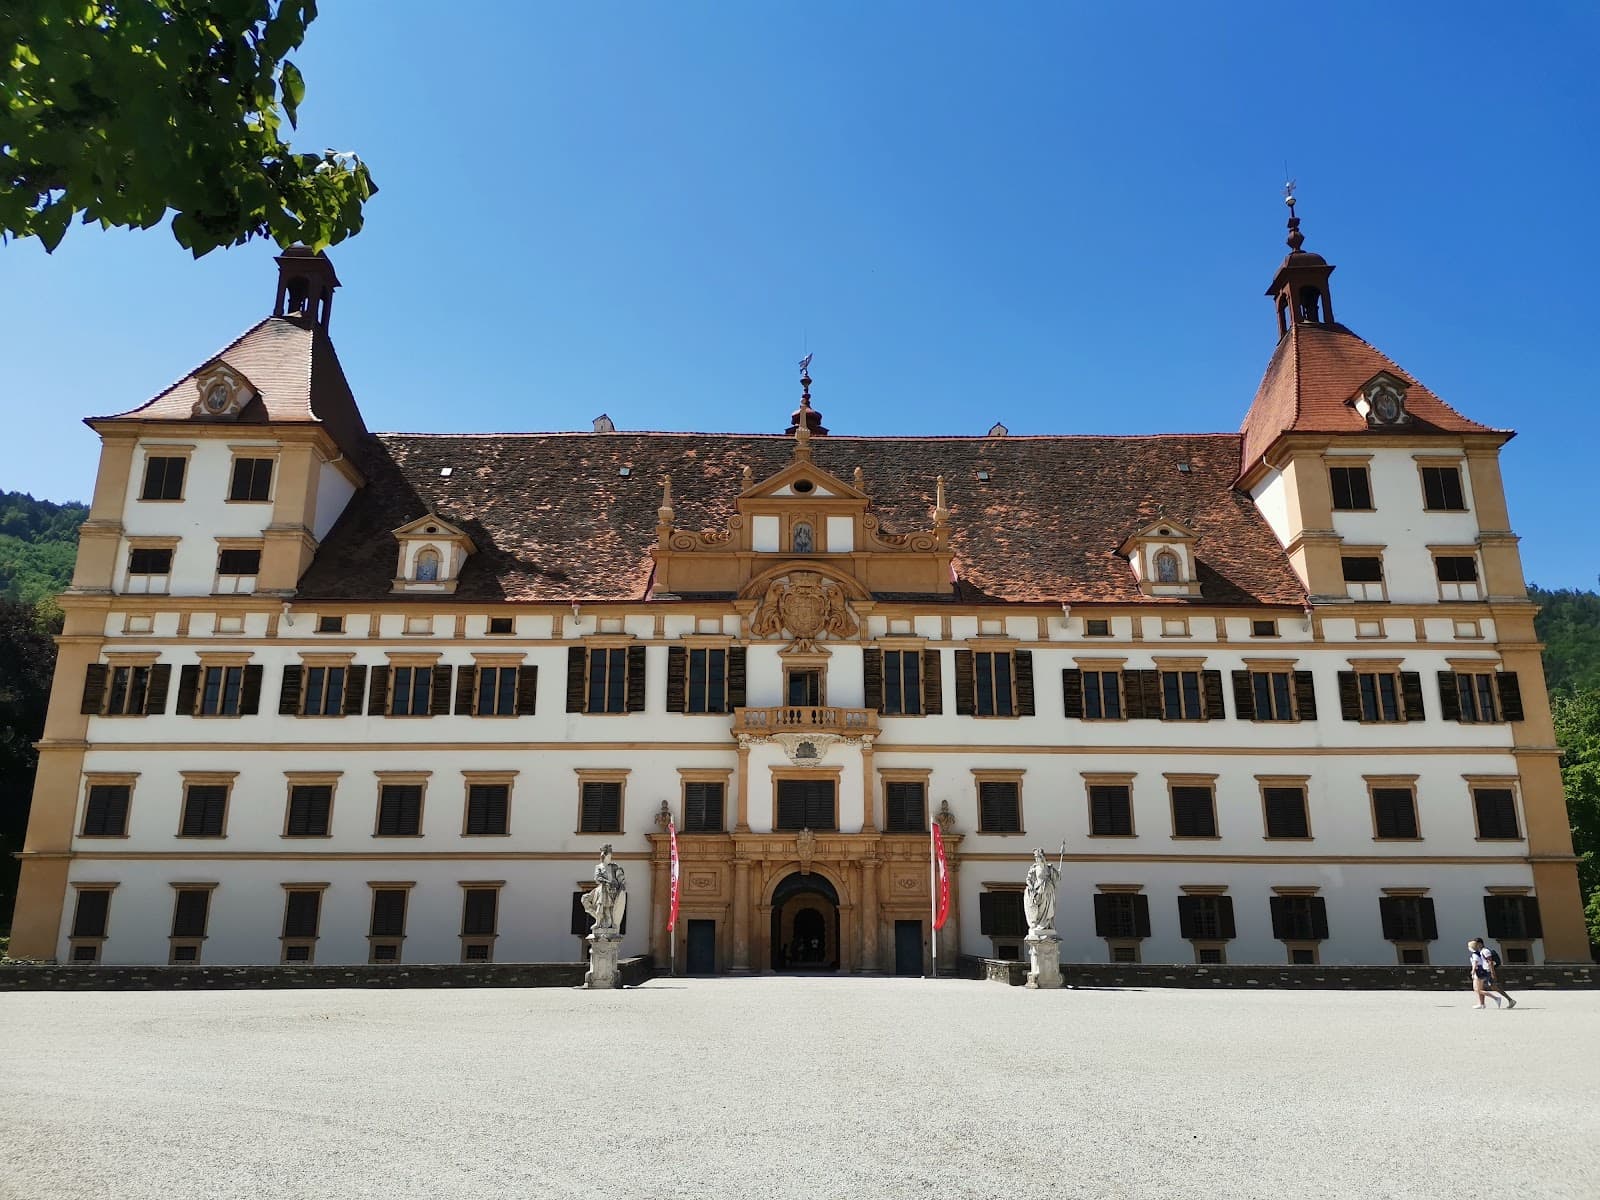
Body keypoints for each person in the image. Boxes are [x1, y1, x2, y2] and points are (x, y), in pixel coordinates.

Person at [1468, 938, 1515, 1009]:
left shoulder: (1485, 951)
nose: (1475, 946)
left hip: (1489, 971)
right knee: (1493, 987)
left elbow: (1490, 962)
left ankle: (1507, 999)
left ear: (1480, 944)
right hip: (1487, 971)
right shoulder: (1482, 951)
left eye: (1476, 944)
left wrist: (1492, 973)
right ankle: (1509, 1000)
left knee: (1492, 987)